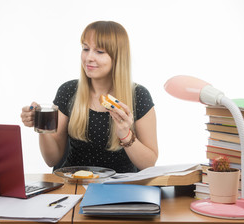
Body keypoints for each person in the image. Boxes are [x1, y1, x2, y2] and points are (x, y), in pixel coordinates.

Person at [21, 21, 158, 173]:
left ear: (117, 57)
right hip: (74, 185)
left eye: (99, 52)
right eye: (85, 49)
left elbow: (149, 164)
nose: (88, 58)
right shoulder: (68, 91)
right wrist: (42, 125)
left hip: (120, 187)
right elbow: (52, 159)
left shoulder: (138, 96)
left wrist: (125, 134)